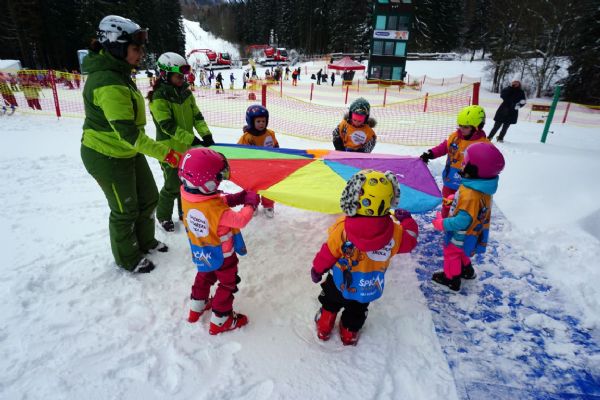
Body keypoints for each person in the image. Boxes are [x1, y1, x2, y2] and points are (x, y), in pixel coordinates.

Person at [80, 15, 181, 273]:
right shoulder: (108, 81)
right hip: (105, 153)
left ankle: (145, 241)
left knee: (149, 199)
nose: (141, 53)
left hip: (127, 151)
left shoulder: (119, 73)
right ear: (116, 46)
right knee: (125, 210)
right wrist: (168, 154)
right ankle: (127, 258)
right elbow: (129, 135)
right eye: (136, 49)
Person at [311, 169, 419, 345]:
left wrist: (317, 269)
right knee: (357, 311)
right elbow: (411, 241)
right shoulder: (396, 233)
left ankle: (324, 326)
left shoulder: (343, 229)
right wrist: (407, 221)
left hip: (339, 282)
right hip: (367, 287)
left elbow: (328, 252)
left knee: (330, 302)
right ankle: (349, 333)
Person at [179, 147, 260, 335]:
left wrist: (238, 197)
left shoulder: (189, 195)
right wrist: (250, 203)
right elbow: (240, 220)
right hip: (224, 256)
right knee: (227, 284)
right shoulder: (217, 212)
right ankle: (221, 319)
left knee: (205, 274)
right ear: (205, 183)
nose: (220, 180)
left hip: (202, 250)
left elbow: (214, 202)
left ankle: (196, 306)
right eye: (217, 178)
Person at [148, 52, 216, 233]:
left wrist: (206, 135)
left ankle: (183, 211)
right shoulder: (159, 97)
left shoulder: (185, 92)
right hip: (168, 149)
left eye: (183, 76)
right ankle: (163, 216)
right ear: (165, 74)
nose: (181, 79)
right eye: (178, 76)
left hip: (187, 148)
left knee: (186, 182)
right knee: (171, 185)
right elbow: (167, 126)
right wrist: (191, 138)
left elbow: (196, 116)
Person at [430, 142, 505, 291]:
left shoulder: (470, 195)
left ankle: (451, 279)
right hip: (472, 234)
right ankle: (466, 270)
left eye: (465, 163)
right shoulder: (480, 187)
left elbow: (462, 221)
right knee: (462, 252)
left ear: (474, 169)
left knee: (451, 253)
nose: (461, 165)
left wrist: (442, 223)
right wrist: (455, 199)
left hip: (460, 235)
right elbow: (473, 208)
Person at [419, 105, 489, 218]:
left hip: (468, 185)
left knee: (464, 207)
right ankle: (445, 221)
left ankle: (460, 225)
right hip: (450, 180)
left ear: (477, 127)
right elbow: (444, 147)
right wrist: (431, 153)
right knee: (447, 203)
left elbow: (489, 166)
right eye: (460, 126)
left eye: (466, 127)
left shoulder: (483, 145)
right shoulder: (455, 137)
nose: (461, 129)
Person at [237, 105, 279, 218]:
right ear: (251, 122)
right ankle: (252, 204)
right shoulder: (247, 137)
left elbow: (276, 147)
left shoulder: (270, 134)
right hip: (252, 169)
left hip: (267, 167)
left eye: (263, 121)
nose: (261, 123)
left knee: (268, 186)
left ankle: (268, 205)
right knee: (252, 188)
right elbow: (239, 151)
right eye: (258, 121)